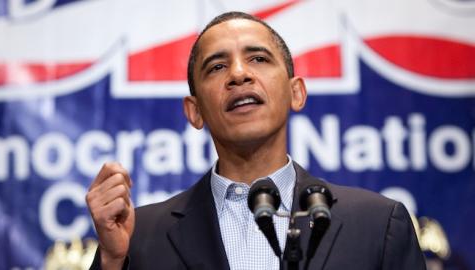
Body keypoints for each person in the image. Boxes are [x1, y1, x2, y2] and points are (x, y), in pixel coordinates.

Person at [86, 11, 426, 270]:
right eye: (217, 67)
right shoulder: (139, 237)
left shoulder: (377, 224)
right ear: (195, 111)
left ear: (296, 93)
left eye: (259, 59)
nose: (239, 74)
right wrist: (112, 262)